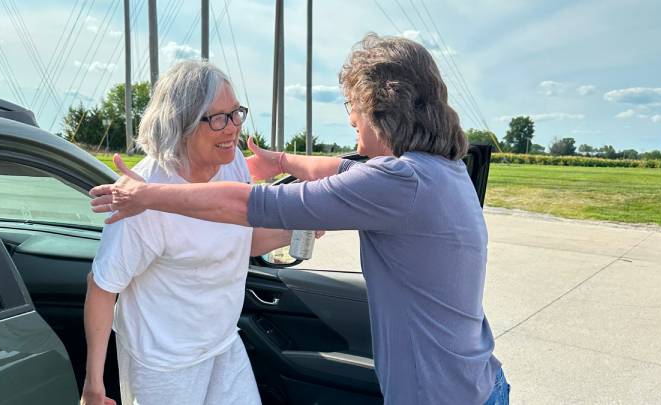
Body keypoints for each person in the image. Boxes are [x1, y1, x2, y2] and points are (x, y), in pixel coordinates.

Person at [90, 34, 509, 405]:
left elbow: (248, 207)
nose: (350, 120)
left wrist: (147, 196)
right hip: (476, 382)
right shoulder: (441, 168)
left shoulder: (399, 182)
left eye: (354, 107)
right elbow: (339, 168)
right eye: (219, 117)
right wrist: (280, 161)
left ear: (382, 112)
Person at [81, 61, 298, 405]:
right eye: (217, 118)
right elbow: (103, 287)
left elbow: (238, 239)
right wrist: (94, 385)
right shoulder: (139, 197)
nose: (232, 129)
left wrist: (297, 230)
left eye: (235, 114)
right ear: (179, 123)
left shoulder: (231, 163)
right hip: (163, 364)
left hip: (223, 343)